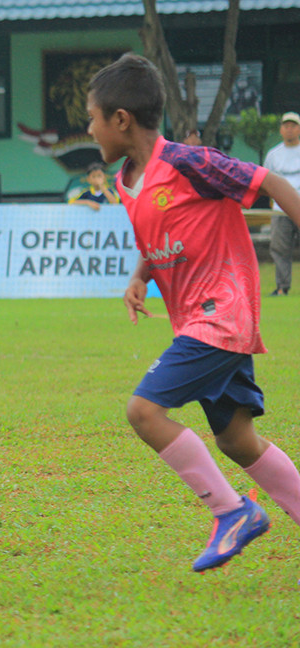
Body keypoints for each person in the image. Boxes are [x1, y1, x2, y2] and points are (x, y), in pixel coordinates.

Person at [87, 53, 300, 572]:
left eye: (92, 119)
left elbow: (270, 184)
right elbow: (159, 234)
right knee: (235, 438)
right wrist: (141, 277)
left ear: (121, 120)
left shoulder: (189, 161)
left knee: (143, 411)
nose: (89, 130)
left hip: (222, 313)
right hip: (199, 319)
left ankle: (231, 511)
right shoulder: (126, 182)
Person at [263, 111, 300, 296]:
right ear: (281, 130)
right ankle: (282, 287)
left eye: (293, 125)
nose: (290, 129)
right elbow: (266, 182)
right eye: (286, 126)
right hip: (280, 210)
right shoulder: (273, 154)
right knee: (279, 248)